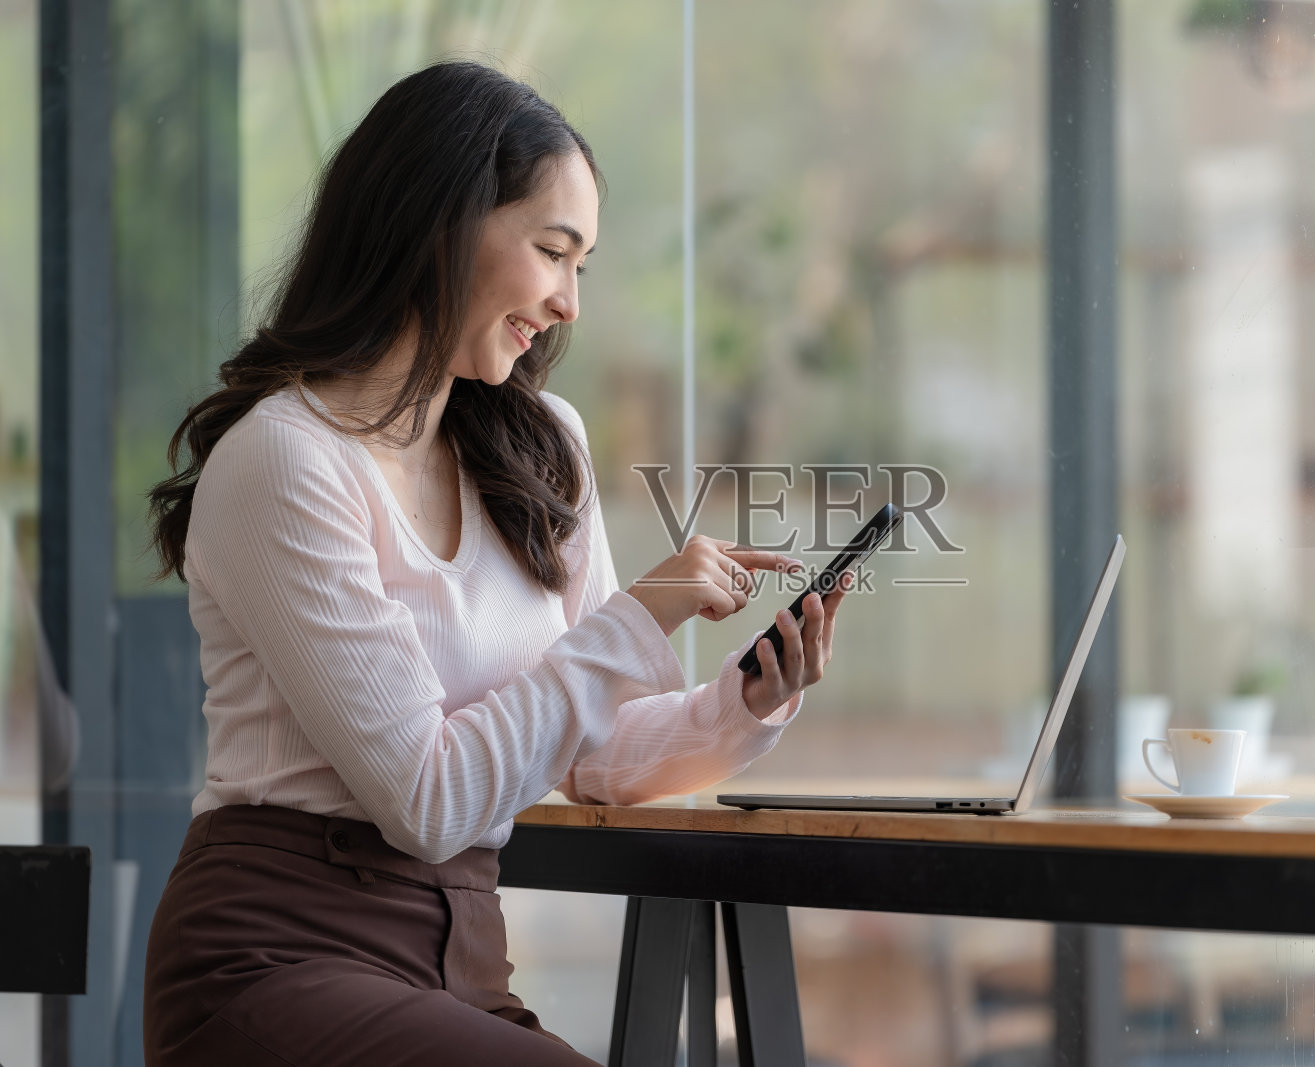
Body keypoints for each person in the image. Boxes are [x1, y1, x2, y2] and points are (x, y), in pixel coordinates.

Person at [141, 61, 846, 1066]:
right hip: (276, 956)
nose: (568, 302)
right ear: (439, 222)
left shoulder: (541, 447)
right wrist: (641, 614)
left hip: (463, 964)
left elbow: (593, 756)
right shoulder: (285, 460)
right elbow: (430, 801)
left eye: (582, 265)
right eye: (552, 251)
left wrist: (749, 700)